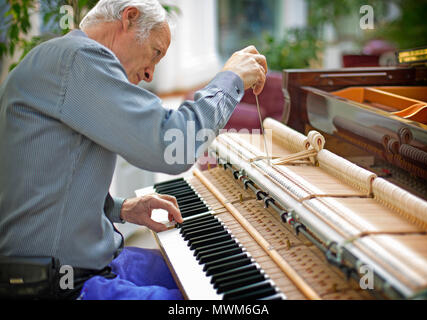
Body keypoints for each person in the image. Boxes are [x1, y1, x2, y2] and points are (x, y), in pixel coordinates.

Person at [0, 0, 267, 300]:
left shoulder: (60, 60)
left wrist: (118, 208)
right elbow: (172, 146)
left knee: (223, 273)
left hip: (91, 266)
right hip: (62, 286)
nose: (151, 74)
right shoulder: (78, 59)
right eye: (155, 53)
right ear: (129, 18)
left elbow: (46, 185)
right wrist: (230, 79)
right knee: (223, 300)